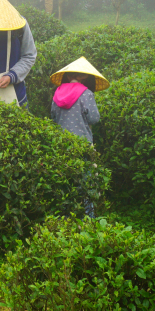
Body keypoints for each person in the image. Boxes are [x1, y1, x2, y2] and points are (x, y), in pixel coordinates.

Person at [49, 57, 109, 218]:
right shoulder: (86, 94)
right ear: (86, 76)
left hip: (62, 145)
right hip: (82, 144)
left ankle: (65, 218)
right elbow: (94, 119)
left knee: (65, 181)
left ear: (68, 76)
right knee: (86, 182)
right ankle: (88, 218)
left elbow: (53, 117)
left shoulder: (58, 92)